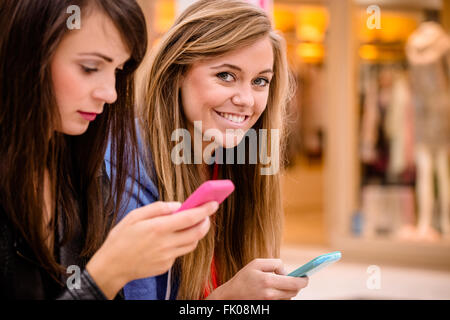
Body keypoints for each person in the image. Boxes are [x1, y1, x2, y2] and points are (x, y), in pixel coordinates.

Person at [0, 0, 217, 300]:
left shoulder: (81, 167)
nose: (110, 93)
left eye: (118, 70)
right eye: (90, 68)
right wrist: (108, 273)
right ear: (26, 51)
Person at [109, 0, 309, 300]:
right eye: (226, 76)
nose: (246, 100)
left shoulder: (233, 161)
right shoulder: (128, 166)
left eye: (259, 81)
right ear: (177, 71)